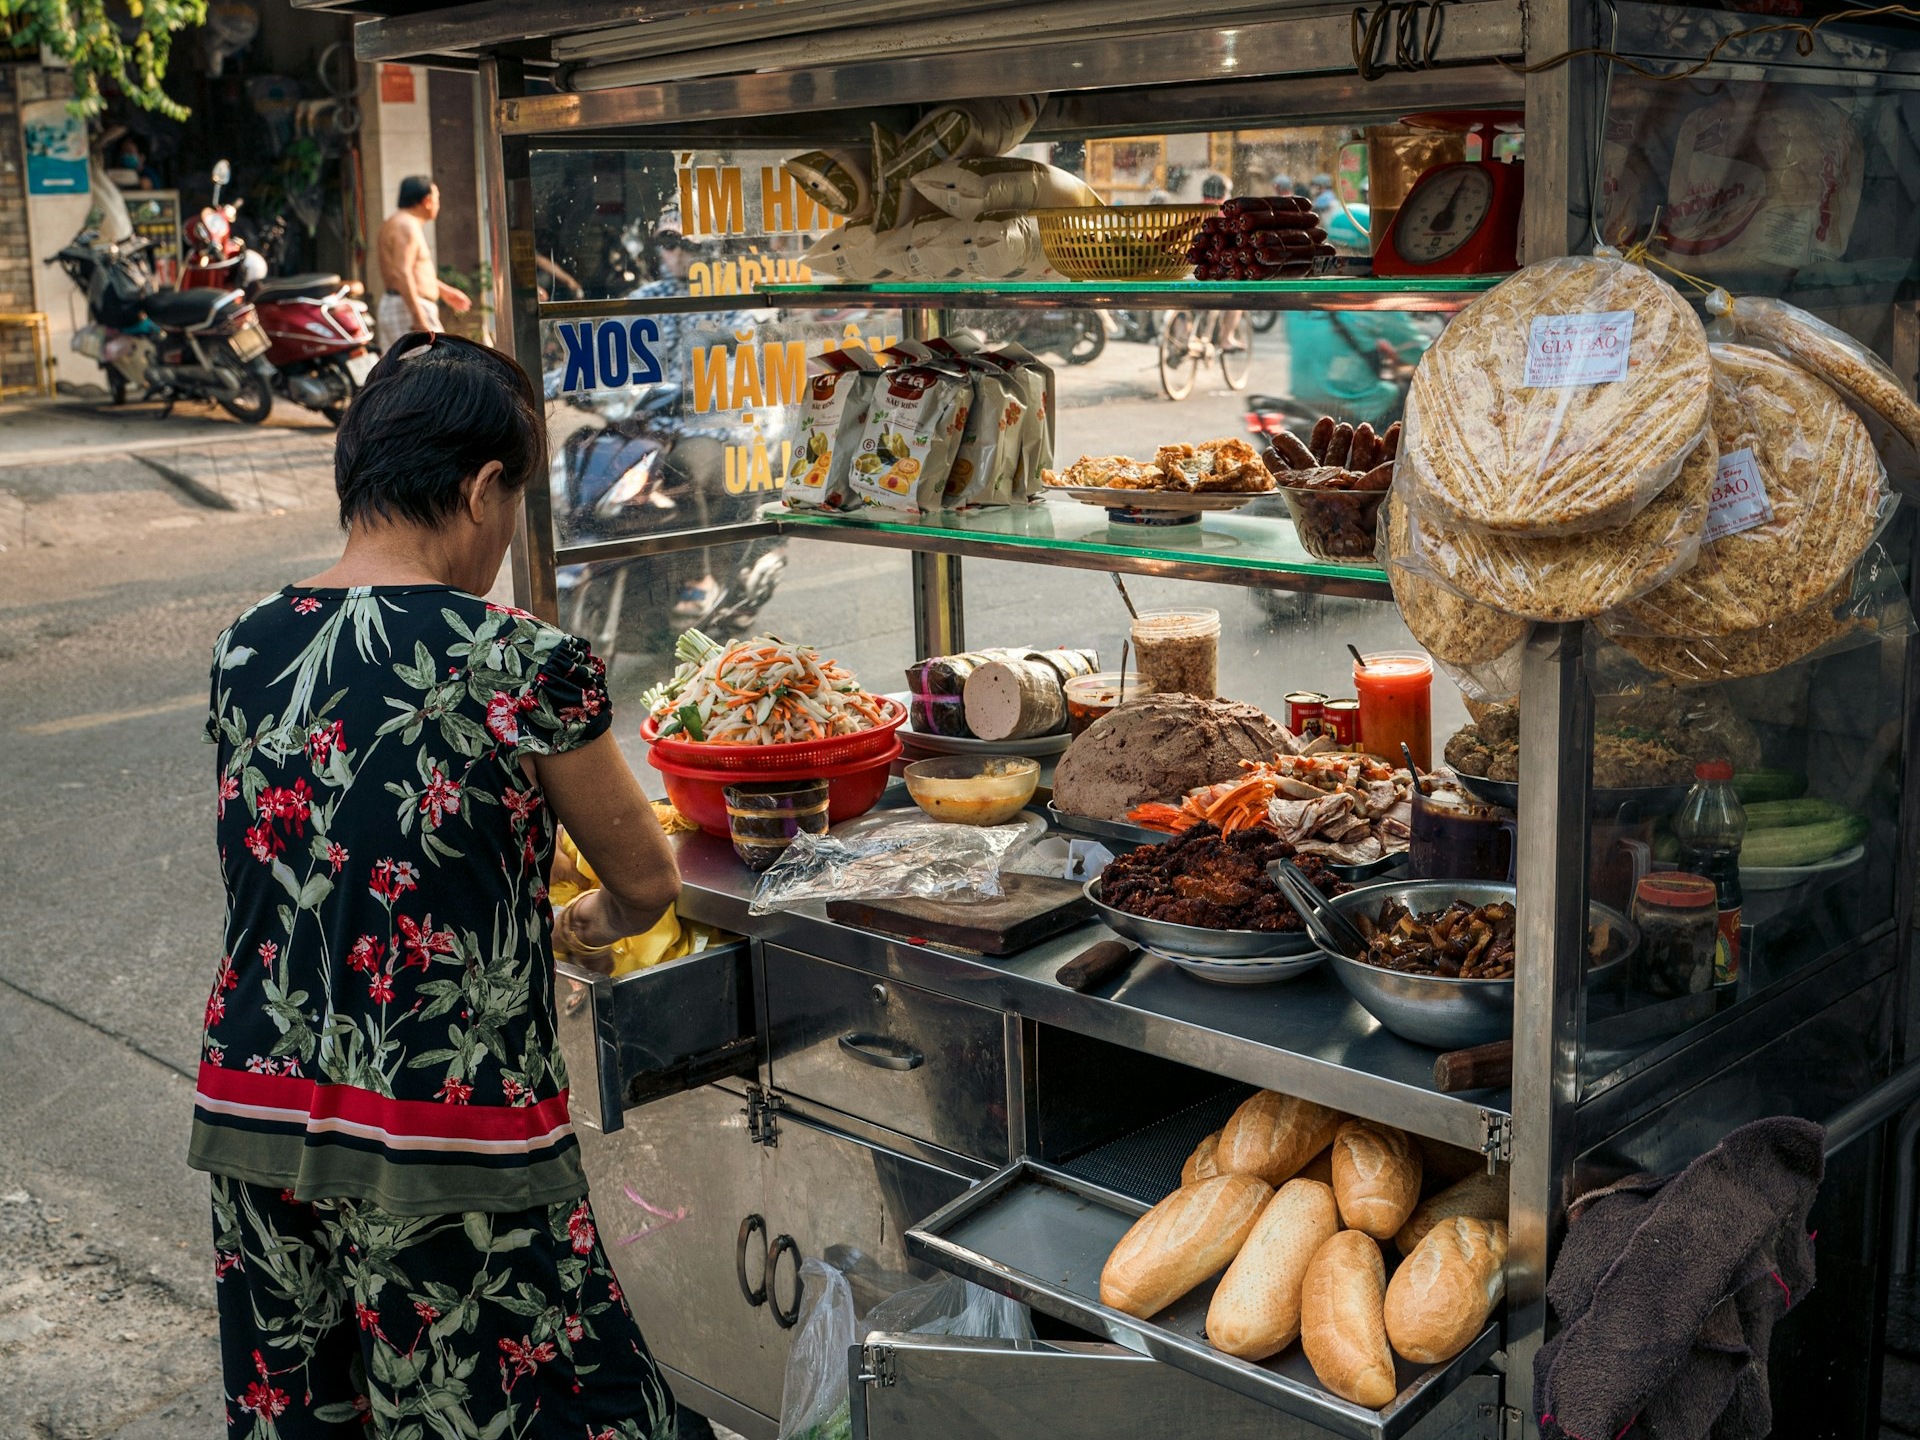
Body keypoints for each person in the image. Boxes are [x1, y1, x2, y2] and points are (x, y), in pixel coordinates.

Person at [195, 331, 684, 1439]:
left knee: (315, 1414)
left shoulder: (245, 645)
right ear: (480, 491)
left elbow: (316, 851)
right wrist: (568, 931)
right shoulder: (518, 657)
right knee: (544, 1411)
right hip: (444, 1125)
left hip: (257, 1106)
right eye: (511, 506)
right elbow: (646, 880)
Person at [376, 175, 472, 350]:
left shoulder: (397, 222)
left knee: (408, 373)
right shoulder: (406, 226)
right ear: (427, 200)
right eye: (437, 199)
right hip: (408, 307)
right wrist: (418, 318)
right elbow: (401, 272)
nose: (438, 204)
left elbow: (410, 272)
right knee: (436, 369)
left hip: (401, 304)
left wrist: (444, 291)